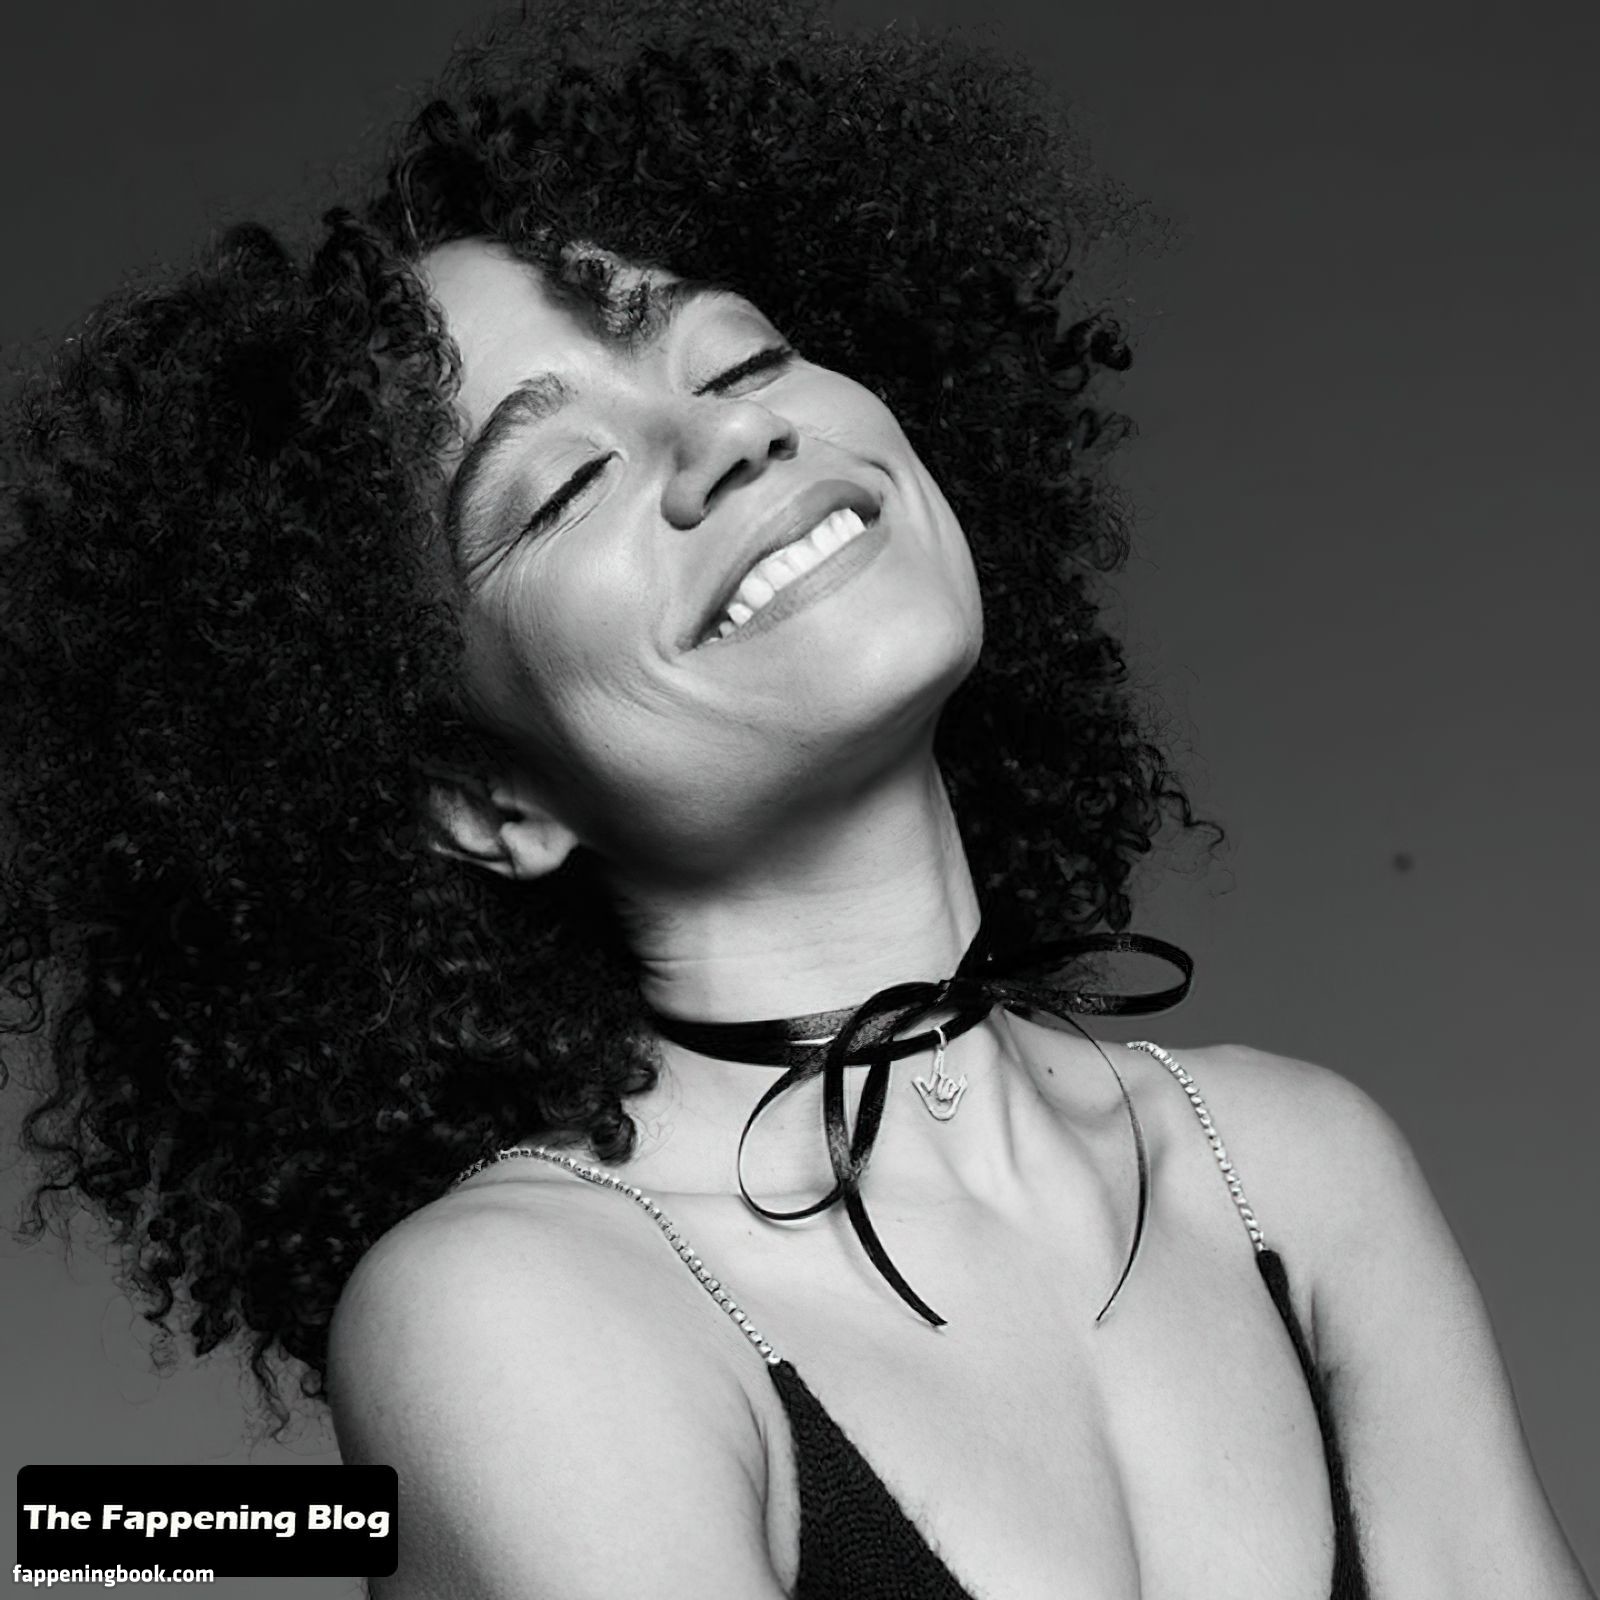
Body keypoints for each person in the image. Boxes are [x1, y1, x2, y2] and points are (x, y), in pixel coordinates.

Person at [1, 2, 1591, 1597]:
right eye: (566, 483)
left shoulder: (1296, 1167)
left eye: (742, 356)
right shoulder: (514, 1306)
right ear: (488, 800)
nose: (728, 435)